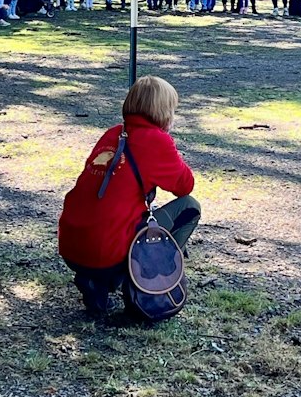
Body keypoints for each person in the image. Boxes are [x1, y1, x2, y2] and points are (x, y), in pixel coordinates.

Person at [57, 75, 200, 322]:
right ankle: (146, 283)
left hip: (72, 245)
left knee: (116, 218)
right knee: (190, 208)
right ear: (163, 111)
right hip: (107, 248)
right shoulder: (156, 140)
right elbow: (185, 186)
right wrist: (169, 143)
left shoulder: (112, 133)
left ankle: (98, 281)